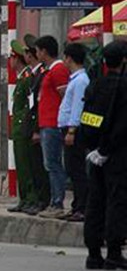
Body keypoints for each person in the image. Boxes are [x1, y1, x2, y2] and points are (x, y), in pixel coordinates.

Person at [80, 40, 127, 270]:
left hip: (96, 154)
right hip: (118, 155)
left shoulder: (95, 86)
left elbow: (87, 120)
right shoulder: (124, 87)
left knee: (95, 201)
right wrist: (107, 149)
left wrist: (93, 148)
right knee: (116, 201)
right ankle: (114, 252)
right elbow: (122, 126)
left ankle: (93, 252)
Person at [49, 42, 89, 222]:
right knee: (71, 169)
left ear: (70, 58)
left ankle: (82, 207)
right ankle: (76, 206)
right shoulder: (75, 79)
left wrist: (72, 130)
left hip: (74, 129)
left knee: (77, 169)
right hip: (67, 128)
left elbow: (77, 107)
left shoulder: (81, 80)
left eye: (65, 57)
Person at [32, 35, 70, 212]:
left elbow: (65, 97)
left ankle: (57, 202)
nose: (36, 54)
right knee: (50, 164)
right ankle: (54, 200)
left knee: (53, 164)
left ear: (44, 51)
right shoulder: (48, 70)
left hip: (54, 123)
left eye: (38, 51)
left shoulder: (58, 70)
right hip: (46, 123)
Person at [9, 40, 45, 214]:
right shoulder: (22, 78)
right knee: (21, 164)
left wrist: (25, 126)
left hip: (24, 127)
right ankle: (24, 199)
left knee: (26, 165)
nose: (10, 62)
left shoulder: (27, 79)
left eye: (12, 58)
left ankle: (31, 198)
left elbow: (28, 106)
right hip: (18, 127)